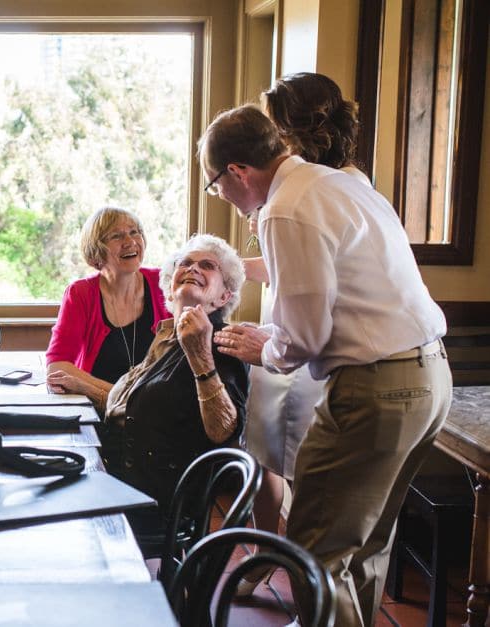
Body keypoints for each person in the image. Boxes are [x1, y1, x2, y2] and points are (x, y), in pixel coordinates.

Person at [202, 104, 451, 627]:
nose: (221, 196)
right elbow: (337, 307)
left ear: (238, 172)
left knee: (313, 551)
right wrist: (275, 335)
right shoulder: (339, 183)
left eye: (216, 185)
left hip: (377, 388)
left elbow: (306, 337)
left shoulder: (284, 207)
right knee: (366, 544)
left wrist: (263, 348)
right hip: (429, 376)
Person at [237, 72, 371, 596]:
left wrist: (273, 346)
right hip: (291, 330)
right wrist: (232, 267)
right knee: (265, 451)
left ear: (287, 129)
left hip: (318, 350)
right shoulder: (294, 186)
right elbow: (298, 270)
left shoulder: (325, 187)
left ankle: (299, 579)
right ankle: (266, 553)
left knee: (314, 492)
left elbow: (319, 280)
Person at [105, 234, 248, 554]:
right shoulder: (167, 336)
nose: (192, 268)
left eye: (207, 266)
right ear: (170, 288)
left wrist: (200, 355)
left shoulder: (222, 341)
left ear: (224, 296)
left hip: (157, 504)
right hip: (118, 482)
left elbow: (223, 430)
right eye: (185, 263)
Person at [45, 206, 169, 411]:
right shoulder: (80, 293)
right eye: (117, 236)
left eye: (134, 232)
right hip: (96, 411)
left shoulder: (163, 283)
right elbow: (58, 367)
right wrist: (118, 397)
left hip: (155, 414)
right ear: (96, 253)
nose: (130, 242)